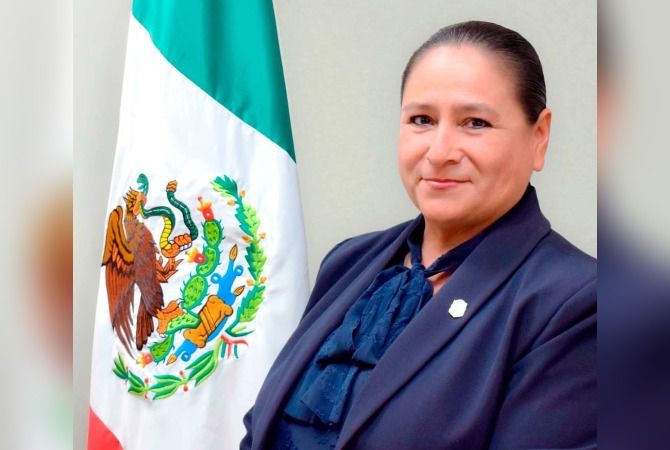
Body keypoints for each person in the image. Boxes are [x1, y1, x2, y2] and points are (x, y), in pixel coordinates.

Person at [241, 20, 596, 450]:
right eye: (421, 120)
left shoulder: (580, 304)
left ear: (539, 137)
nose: (440, 152)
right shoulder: (350, 262)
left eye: (475, 123)